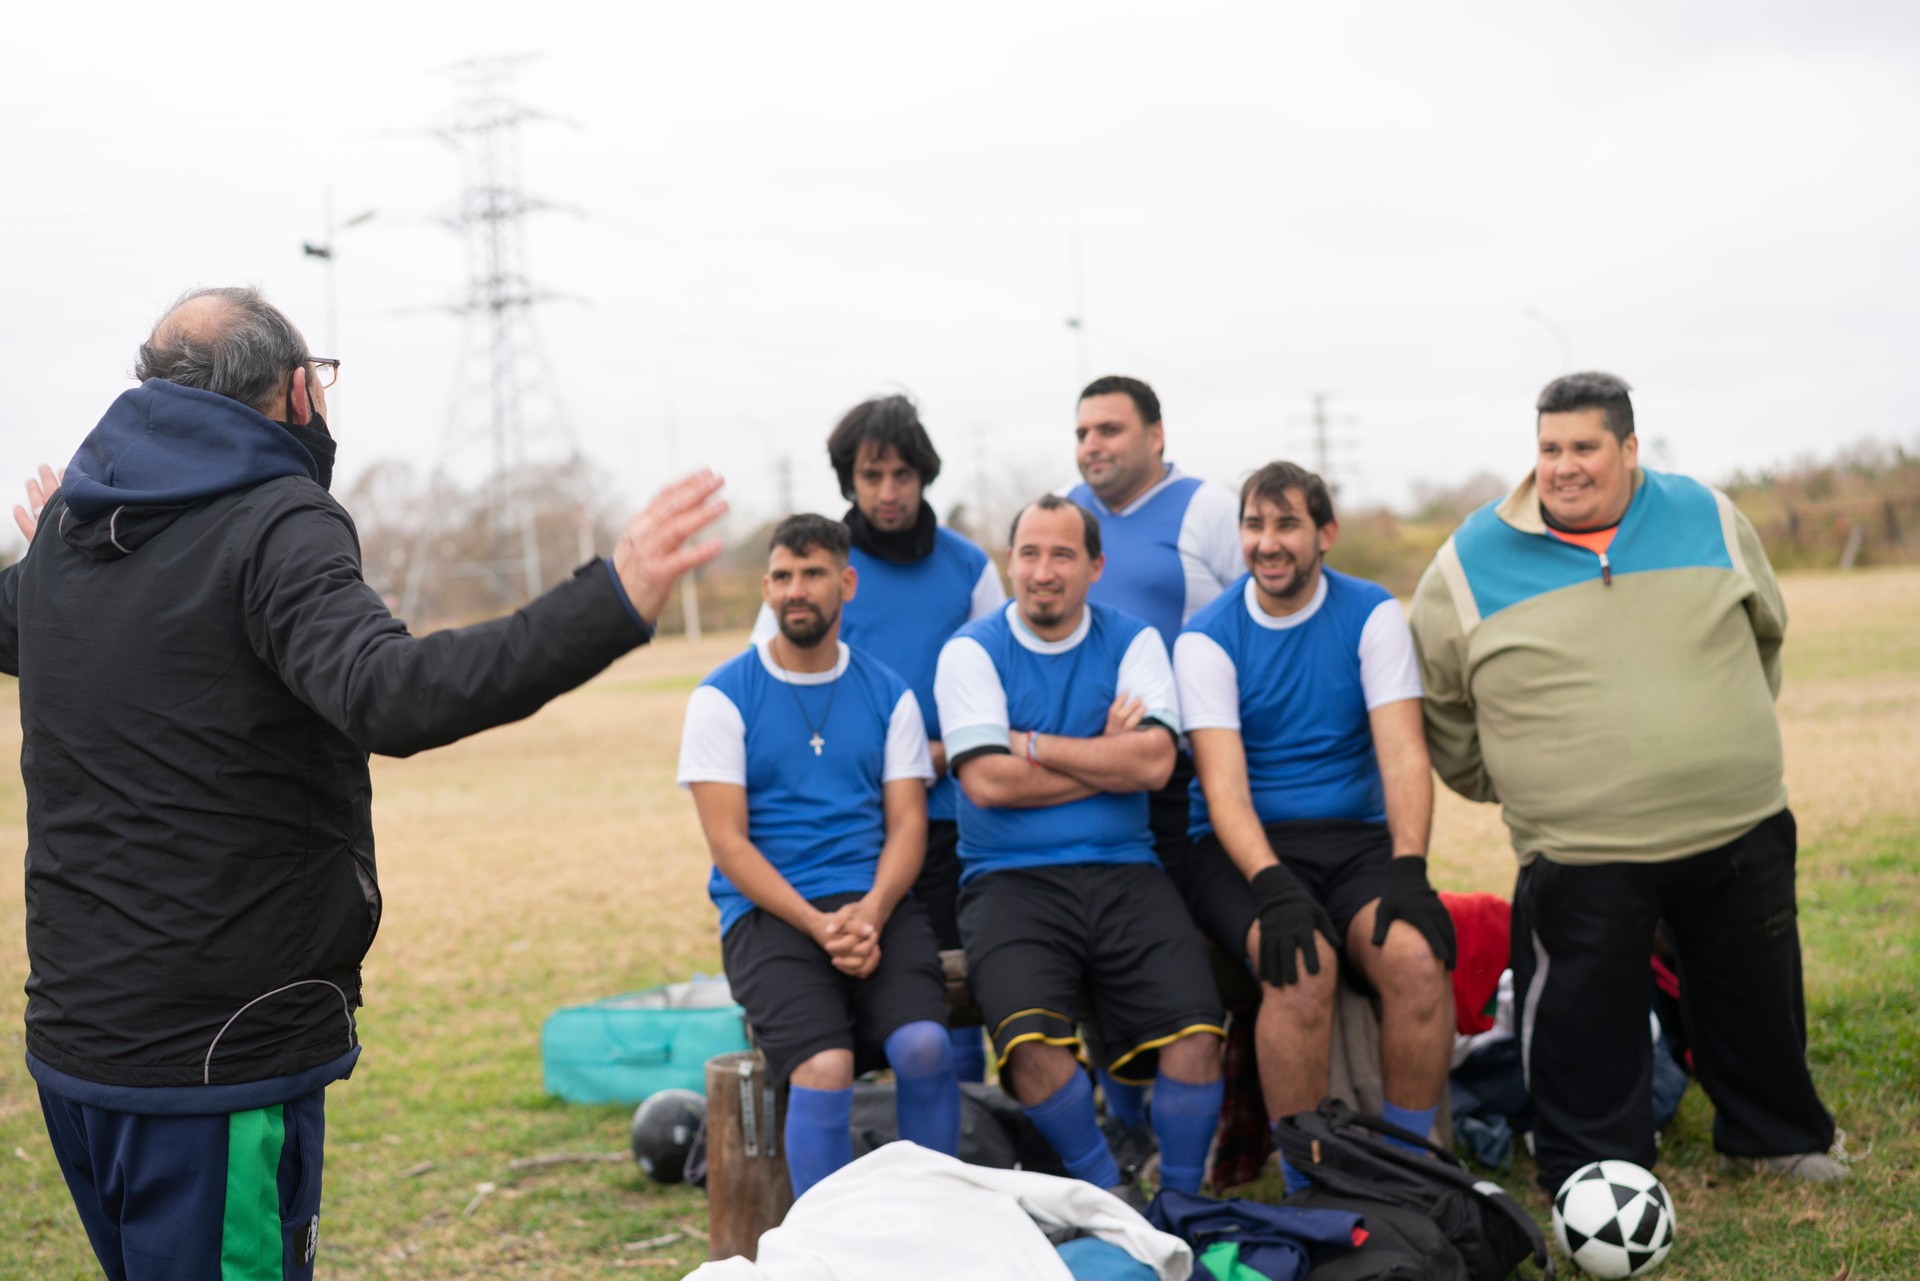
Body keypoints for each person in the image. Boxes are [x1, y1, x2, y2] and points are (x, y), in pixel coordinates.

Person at [0, 286, 726, 1281]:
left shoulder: (74, 543)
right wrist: (610, 600)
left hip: (76, 1052)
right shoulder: (272, 521)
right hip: (214, 1062)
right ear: (297, 392)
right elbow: (396, 694)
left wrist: (47, 567)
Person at [1408, 371, 1843, 1190]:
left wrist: (1719, 734)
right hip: (1580, 842)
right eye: (1548, 449)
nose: (1562, 467)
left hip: (1737, 820)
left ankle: (1775, 1136)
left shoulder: (1708, 516)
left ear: (1629, 448)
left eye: (1583, 447)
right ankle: (1593, 1168)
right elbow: (1439, 700)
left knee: (1755, 993)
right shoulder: (1467, 561)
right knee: (1581, 1016)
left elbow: (1765, 635)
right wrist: (1525, 779)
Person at [1174, 462, 1455, 1192]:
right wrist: (1272, 884)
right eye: (1254, 525)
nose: (1268, 543)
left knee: (1420, 962)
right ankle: (1311, 1189)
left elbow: (1402, 754)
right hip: (1241, 850)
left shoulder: (1371, 613)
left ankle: (1410, 1168)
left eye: (1287, 524)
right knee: (1302, 968)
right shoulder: (1206, 637)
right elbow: (1224, 787)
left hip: (1355, 841)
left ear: (1325, 534)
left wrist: (1410, 867)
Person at [933, 494, 1224, 1197]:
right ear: (1010, 563)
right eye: (1029, 552)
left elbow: (1153, 764)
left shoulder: (1134, 641)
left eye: (1062, 553)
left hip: (1127, 872)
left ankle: (1181, 1202)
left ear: (1095, 566)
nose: (1043, 570)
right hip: (1010, 881)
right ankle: (1108, 1194)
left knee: (1199, 1036)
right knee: (1029, 1046)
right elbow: (987, 783)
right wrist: (1103, 755)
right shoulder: (971, 650)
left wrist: (1030, 743)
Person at [681, 514, 959, 1197]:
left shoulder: (889, 691)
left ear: (847, 581)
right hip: (769, 912)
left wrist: (870, 912)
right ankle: (827, 1249)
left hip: (876, 904)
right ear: (767, 587)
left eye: (812, 573)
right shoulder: (721, 696)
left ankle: (941, 1219)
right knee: (826, 1064)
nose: (795, 589)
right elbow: (728, 843)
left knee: (924, 1046)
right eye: (782, 575)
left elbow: (907, 826)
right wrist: (816, 921)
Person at [751, 395, 1004, 1080]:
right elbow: (767, 696)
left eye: (901, 474)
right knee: (841, 988)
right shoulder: (811, 565)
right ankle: (860, 1131)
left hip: (951, 819)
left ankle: (965, 1129)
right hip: (847, 826)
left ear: (924, 474)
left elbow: (998, 693)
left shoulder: (972, 568)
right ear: (848, 482)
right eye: (871, 476)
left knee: (948, 986)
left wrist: (930, 757)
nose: (888, 492)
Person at [1064, 375, 1241, 1145]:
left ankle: (1228, 1110)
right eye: (1083, 432)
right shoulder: (1067, 514)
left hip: (1191, 781)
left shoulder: (1208, 508)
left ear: (1156, 435)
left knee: (1183, 955)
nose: (1093, 446)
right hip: (1100, 776)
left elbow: (1254, 619)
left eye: (1109, 429)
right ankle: (1126, 1120)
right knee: (1104, 952)